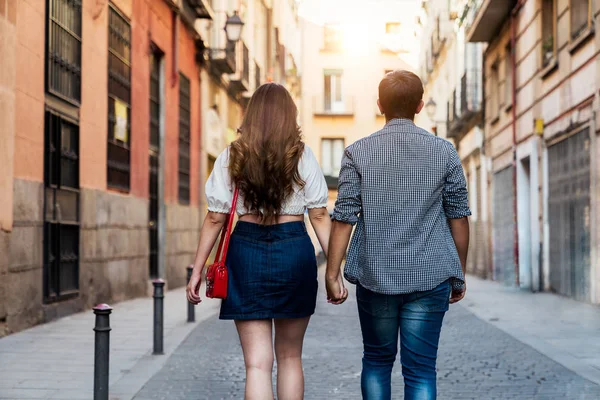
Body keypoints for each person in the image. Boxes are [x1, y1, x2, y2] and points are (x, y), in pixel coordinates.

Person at [325, 70, 471, 400]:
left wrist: (332, 273)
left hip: (376, 277)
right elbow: (458, 217)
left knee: (376, 361)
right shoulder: (444, 152)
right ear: (420, 106)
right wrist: (458, 273)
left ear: (380, 105)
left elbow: (344, 217)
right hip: (431, 276)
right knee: (421, 371)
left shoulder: (356, 153)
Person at [186, 83, 331, 400]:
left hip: (246, 252)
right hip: (294, 249)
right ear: (289, 117)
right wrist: (334, 271)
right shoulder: (301, 155)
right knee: (290, 357)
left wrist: (198, 270)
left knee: (256, 365)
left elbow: (216, 217)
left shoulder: (232, 156)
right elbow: (319, 215)